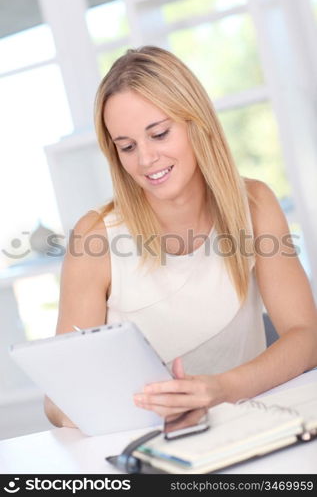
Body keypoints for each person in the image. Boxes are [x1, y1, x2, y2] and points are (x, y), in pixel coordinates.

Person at [44, 46, 317, 428]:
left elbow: (306, 337)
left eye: (158, 134)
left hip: (250, 428)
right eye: (127, 146)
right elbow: (56, 401)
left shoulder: (254, 205)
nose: (145, 159)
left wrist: (221, 389)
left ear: (197, 122)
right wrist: (136, 404)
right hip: (149, 445)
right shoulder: (95, 238)